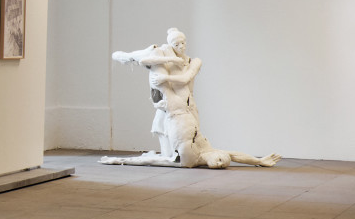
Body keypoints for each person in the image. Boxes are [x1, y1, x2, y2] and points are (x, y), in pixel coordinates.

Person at [102, 28, 279, 169]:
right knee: (158, 53)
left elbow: (185, 79)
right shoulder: (207, 149)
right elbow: (234, 155)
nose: (219, 162)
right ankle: (128, 57)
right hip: (181, 108)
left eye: (183, 43)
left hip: (179, 106)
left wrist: (120, 160)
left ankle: (128, 57)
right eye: (177, 43)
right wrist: (258, 160)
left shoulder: (193, 61)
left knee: (157, 60)